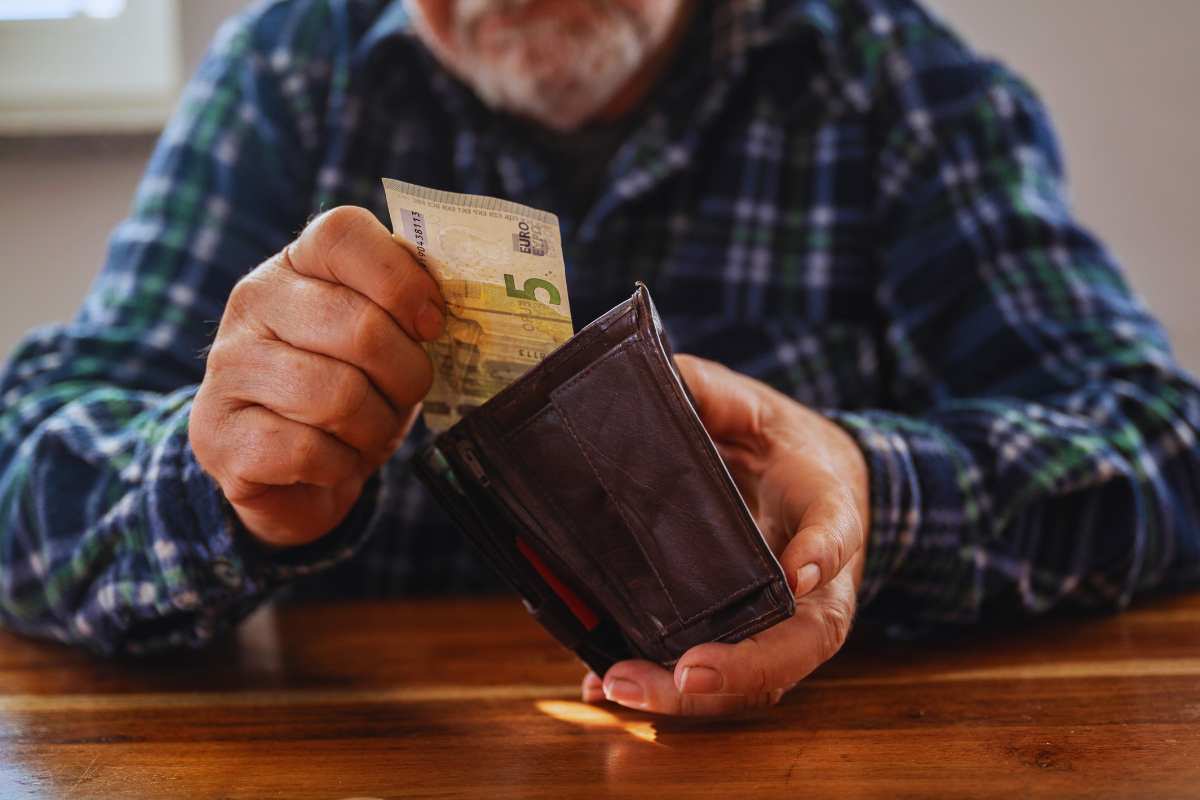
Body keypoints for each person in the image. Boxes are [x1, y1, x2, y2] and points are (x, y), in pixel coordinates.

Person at [1, 0, 1197, 717]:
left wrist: (872, 486)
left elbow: (1160, 441)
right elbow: (27, 463)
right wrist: (220, 480)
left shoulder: (893, 82)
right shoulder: (288, 72)